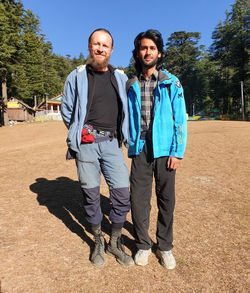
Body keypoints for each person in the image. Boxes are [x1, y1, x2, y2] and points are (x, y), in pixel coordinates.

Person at [61, 28, 134, 267]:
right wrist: (78, 132)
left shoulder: (120, 78)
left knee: (123, 195)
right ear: (90, 46)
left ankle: (114, 241)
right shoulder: (77, 76)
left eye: (105, 45)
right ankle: (98, 242)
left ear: (111, 50)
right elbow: (67, 110)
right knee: (91, 196)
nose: (100, 48)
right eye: (96, 44)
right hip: (86, 146)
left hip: (113, 143)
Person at [127, 29, 187, 269]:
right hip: (140, 148)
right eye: (143, 47)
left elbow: (180, 119)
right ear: (138, 52)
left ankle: (164, 246)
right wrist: (129, 141)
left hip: (165, 150)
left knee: (166, 200)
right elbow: (125, 116)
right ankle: (143, 245)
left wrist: (177, 151)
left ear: (159, 53)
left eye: (152, 48)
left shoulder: (171, 83)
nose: (147, 51)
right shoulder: (131, 84)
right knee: (138, 200)